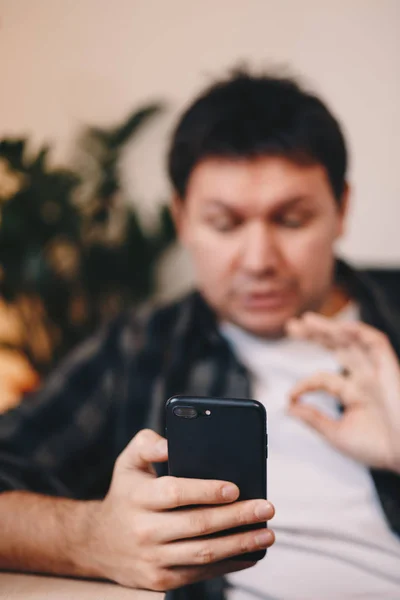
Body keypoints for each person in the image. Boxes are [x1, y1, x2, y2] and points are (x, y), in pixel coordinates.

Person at [0, 69, 400, 600]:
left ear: (341, 209)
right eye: (225, 224)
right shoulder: (142, 345)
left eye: (292, 219)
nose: (259, 262)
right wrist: (93, 537)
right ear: (182, 218)